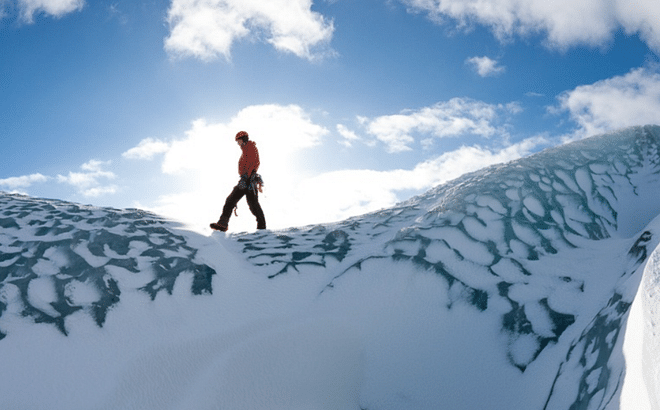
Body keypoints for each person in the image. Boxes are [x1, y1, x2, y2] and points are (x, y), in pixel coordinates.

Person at [210, 131, 266, 232]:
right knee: (232, 200)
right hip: (245, 179)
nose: (237, 143)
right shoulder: (245, 149)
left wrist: (248, 178)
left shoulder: (250, 148)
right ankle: (223, 224)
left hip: (248, 180)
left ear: (243, 139)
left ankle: (262, 227)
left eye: (238, 140)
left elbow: (253, 162)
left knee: (252, 204)